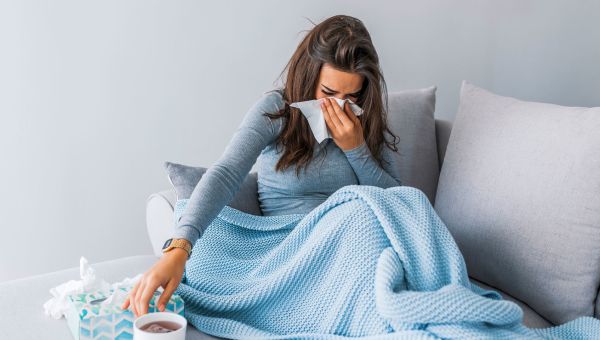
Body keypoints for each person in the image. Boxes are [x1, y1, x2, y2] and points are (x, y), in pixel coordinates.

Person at [121, 14, 402, 318]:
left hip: (343, 244)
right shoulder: (277, 111)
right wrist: (179, 247)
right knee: (206, 260)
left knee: (368, 219)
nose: (338, 107)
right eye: (329, 93)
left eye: (351, 96)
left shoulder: (365, 121)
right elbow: (226, 173)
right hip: (284, 248)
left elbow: (398, 205)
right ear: (309, 78)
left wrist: (356, 149)